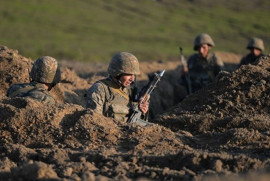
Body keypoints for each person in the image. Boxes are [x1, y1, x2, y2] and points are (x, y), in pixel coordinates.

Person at [86, 52, 150, 126]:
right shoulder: (100, 89)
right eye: (128, 74)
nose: (132, 79)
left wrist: (142, 112)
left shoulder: (131, 91)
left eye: (134, 75)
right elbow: (94, 121)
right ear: (117, 74)